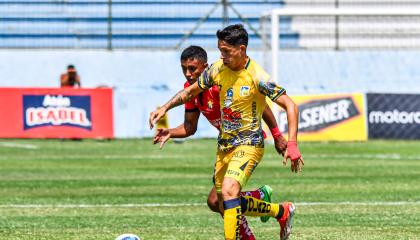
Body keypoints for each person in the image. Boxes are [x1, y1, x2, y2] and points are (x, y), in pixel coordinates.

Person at [150, 24, 304, 240]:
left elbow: (289, 105)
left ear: (241, 49)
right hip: (225, 146)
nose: (221, 56)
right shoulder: (216, 70)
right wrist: (164, 108)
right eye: (220, 51)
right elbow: (189, 93)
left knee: (230, 191)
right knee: (220, 202)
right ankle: (280, 211)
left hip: (249, 144)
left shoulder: (257, 76)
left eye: (226, 52)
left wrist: (288, 140)